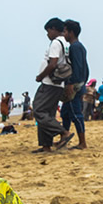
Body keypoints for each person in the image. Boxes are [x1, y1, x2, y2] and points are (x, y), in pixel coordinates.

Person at [32, 18, 75, 152]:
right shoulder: (66, 44)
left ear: (54, 29)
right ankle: (46, 145)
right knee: (48, 114)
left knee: (38, 110)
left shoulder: (56, 43)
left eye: (48, 31)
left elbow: (53, 64)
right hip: (58, 84)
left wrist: (40, 76)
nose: (47, 34)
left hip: (49, 83)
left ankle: (63, 132)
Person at [60, 18, 89, 149]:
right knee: (65, 114)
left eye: (65, 31)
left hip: (74, 85)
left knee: (76, 114)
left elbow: (77, 67)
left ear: (71, 32)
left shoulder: (75, 47)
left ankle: (82, 142)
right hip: (79, 83)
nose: (63, 34)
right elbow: (86, 68)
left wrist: (72, 83)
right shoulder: (80, 47)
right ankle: (63, 139)